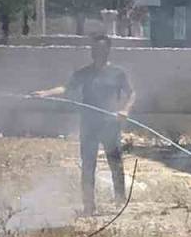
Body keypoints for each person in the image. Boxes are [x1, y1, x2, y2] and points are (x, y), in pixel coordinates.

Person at [34, 34, 135, 216]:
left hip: (110, 124)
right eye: (93, 49)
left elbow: (132, 93)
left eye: (100, 49)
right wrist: (46, 93)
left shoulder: (117, 73)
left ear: (107, 50)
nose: (96, 52)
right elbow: (66, 88)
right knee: (88, 166)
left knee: (115, 163)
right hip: (89, 125)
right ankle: (88, 205)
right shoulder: (84, 73)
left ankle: (120, 202)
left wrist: (125, 110)